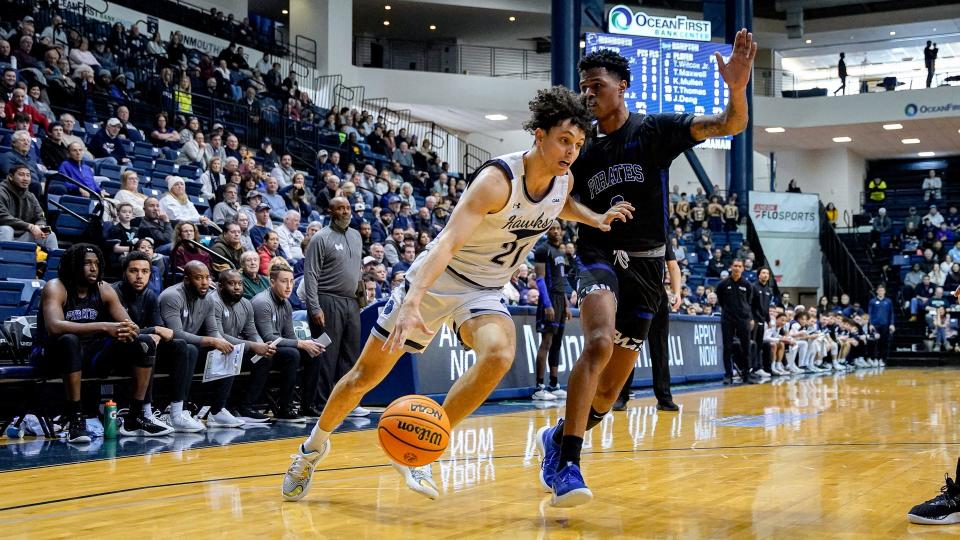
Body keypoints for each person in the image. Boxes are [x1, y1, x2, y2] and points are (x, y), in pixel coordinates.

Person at [282, 86, 627, 503]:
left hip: (483, 290)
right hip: (440, 278)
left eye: (578, 143)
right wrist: (411, 301)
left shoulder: (563, 179)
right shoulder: (496, 181)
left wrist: (596, 217)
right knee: (362, 378)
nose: (571, 151)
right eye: (563, 140)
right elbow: (444, 243)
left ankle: (423, 443)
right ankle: (311, 448)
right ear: (539, 135)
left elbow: (561, 205)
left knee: (500, 354)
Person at [540, 31, 756, 508]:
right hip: (597, 256)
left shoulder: (653, 131)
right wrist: (590, 216)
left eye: (597, 84)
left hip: (646, 268)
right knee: (596, 343)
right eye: (584, 86)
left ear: (624, 86)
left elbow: (729, 125)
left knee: (610, 392)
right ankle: (568, 464)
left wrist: (736, 89)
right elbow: (559, 199)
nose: (589, 94)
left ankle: (557, 437)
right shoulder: (582, 147)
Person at [34, 244, 169, 443]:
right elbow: (55, 327)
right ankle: (75, 419)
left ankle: (135, 416)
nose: (93, 268)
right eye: (87, 263)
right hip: (53, 355)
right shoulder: (55, 287)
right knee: (69, 341)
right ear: (73, 265)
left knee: (143, 343)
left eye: (97, 263)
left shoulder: (104, 288)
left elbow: (129, 324)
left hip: (91, 355)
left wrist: (128, 330)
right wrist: (106, 327)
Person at [299, 197, 364, 416]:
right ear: (330, 211)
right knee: (326, 356)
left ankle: (345, 403)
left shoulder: (356, 236)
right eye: (340, 208)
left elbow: (357, 271)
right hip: (327, 300)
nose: (345, 212)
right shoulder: (320, 238)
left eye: (347, 208)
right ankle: (318, 405)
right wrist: (314, 307)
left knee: (350, 355)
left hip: (350, 302)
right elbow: (310, 275)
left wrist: (360, 300)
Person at [112, 251, 192, 429]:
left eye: (145, 271)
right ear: (124, 272)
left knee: (180, 345)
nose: (140, 276)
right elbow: (122, 330)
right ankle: (144, 412)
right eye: (134, 271)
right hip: (115, 350)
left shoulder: (149, 295)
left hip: (141, 350)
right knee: (146, 343)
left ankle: (177, 412)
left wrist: (155, 331)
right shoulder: (113, 292)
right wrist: (153, 331)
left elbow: (166, 332)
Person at [159, 260, 243, 428]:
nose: (205, 283)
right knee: (188, 348)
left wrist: (223, 343)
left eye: (207, 277)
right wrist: (212, 341)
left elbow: (213, 331)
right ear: (187, 279)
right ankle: (176, 412)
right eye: (199, 278)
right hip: (165, 351)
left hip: (189, 350)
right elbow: (176, 334)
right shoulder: (172, 296)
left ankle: (217, 410)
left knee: (229, 349)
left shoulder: (208, 299)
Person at [613, 240, 682, 412]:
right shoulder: (630, 230)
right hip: (632, 295)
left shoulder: (661, 233)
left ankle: (664, 398)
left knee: (659, 349)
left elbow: (673, 266)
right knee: (628, 347)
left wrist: (677, 292)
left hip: (657, 297)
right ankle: (621, 396)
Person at [252, 263, 322, 422]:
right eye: (284, 281)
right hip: (260, 352)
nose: (289, 286)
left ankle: (307, 405)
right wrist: (301, 344)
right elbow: (268, 337)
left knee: (314, 353)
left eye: (291, 281)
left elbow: (290, 335)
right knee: (293, 353)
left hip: (277, 351)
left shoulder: (287, 304)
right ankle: (285, 408)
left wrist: (308, 344)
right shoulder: (262, 302)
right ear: (272, 282)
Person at [211, 269, 280, 422]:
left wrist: (262, 345)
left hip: (236, 347)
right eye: (232, 284)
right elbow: (219, 335)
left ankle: (245, 407)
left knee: (265, 358)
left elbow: (252, 332)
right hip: (212, 348)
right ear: (220, 286)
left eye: (240, 284)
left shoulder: (246, 303)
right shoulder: (213, 302)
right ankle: (218, 410)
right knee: (229, 350)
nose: (237, 287)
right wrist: (253, 346)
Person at [531, 221, 570, 401]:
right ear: (547, 231)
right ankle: (539, 387)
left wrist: (566, 304)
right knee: (546, 343)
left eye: (558, 228)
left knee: (557, 343)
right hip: (549, 300)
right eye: (552, 228)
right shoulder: (542, 250)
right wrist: (547, 304)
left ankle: (553, 384)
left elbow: (561, 280)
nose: (555, 231)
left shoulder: (560, 252)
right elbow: (540, 279)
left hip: (560, 300)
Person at [0, 164, 58, 250]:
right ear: (11, 177)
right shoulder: (1, 191)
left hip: (22, 233)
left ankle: (55, 263)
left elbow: (41, 216)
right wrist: (29, 226)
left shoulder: (31, 196)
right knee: (6, 230)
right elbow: (2, 217)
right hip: (4, 232)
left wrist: (39, 225)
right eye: (21, 174)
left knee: (48, 232)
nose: (25, 178)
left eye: (28, 175)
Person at [867, 285, 894, 365]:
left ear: (884, 291)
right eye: (879, 290)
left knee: (884, 342)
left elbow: (891, 313)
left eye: (882, 290)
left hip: (885, 325)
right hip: (875, 325)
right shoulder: (872, 301)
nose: (881, 292)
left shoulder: (888, 301)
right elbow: (870, 313)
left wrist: (892, 324)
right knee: (875, 342)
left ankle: (882, 359)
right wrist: (870, 324)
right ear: (877, 291)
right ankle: (875, 358)